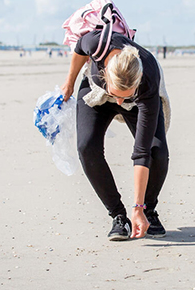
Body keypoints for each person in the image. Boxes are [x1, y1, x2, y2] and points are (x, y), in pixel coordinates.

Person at [60, 29, 169, 241]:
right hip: (97, 93)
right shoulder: (97, 43)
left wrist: (138, 206)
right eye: (117, 96)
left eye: (124, 97)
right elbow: (80, 46)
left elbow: (141, 152)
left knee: (157, 152)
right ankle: (118, 215)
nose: (119, 102)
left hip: (139, 102)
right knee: (86, 147)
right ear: (106, 75)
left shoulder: (148, 80)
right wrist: (70, 82)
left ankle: (147, 211)